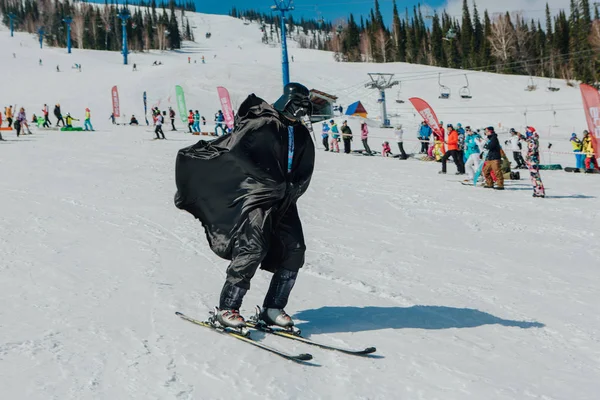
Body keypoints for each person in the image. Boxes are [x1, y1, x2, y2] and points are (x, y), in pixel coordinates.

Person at [174, 82, 315, 329]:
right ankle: (228, 307)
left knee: (295, 249)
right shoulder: (263, 123)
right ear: (287, 102)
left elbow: (305, 166)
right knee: (252, 247)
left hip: (284, 200)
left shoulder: (300, 132)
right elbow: (237, 150)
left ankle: (273, 307)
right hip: (257, 196)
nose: (301, 111)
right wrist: (266, 180)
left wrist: (293, 188)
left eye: (305, 106)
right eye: (298, 105)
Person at [524, 126, 545, 197]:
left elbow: (531, 151)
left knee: (535, 176)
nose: (526, 133)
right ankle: (537, 191)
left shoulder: (532, 140)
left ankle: (539, 191)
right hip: (533, 160)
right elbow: (526, 140)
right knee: (534, 176)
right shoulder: (533, 139)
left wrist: (527, 158)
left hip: (532, 161)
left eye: (527, 132)